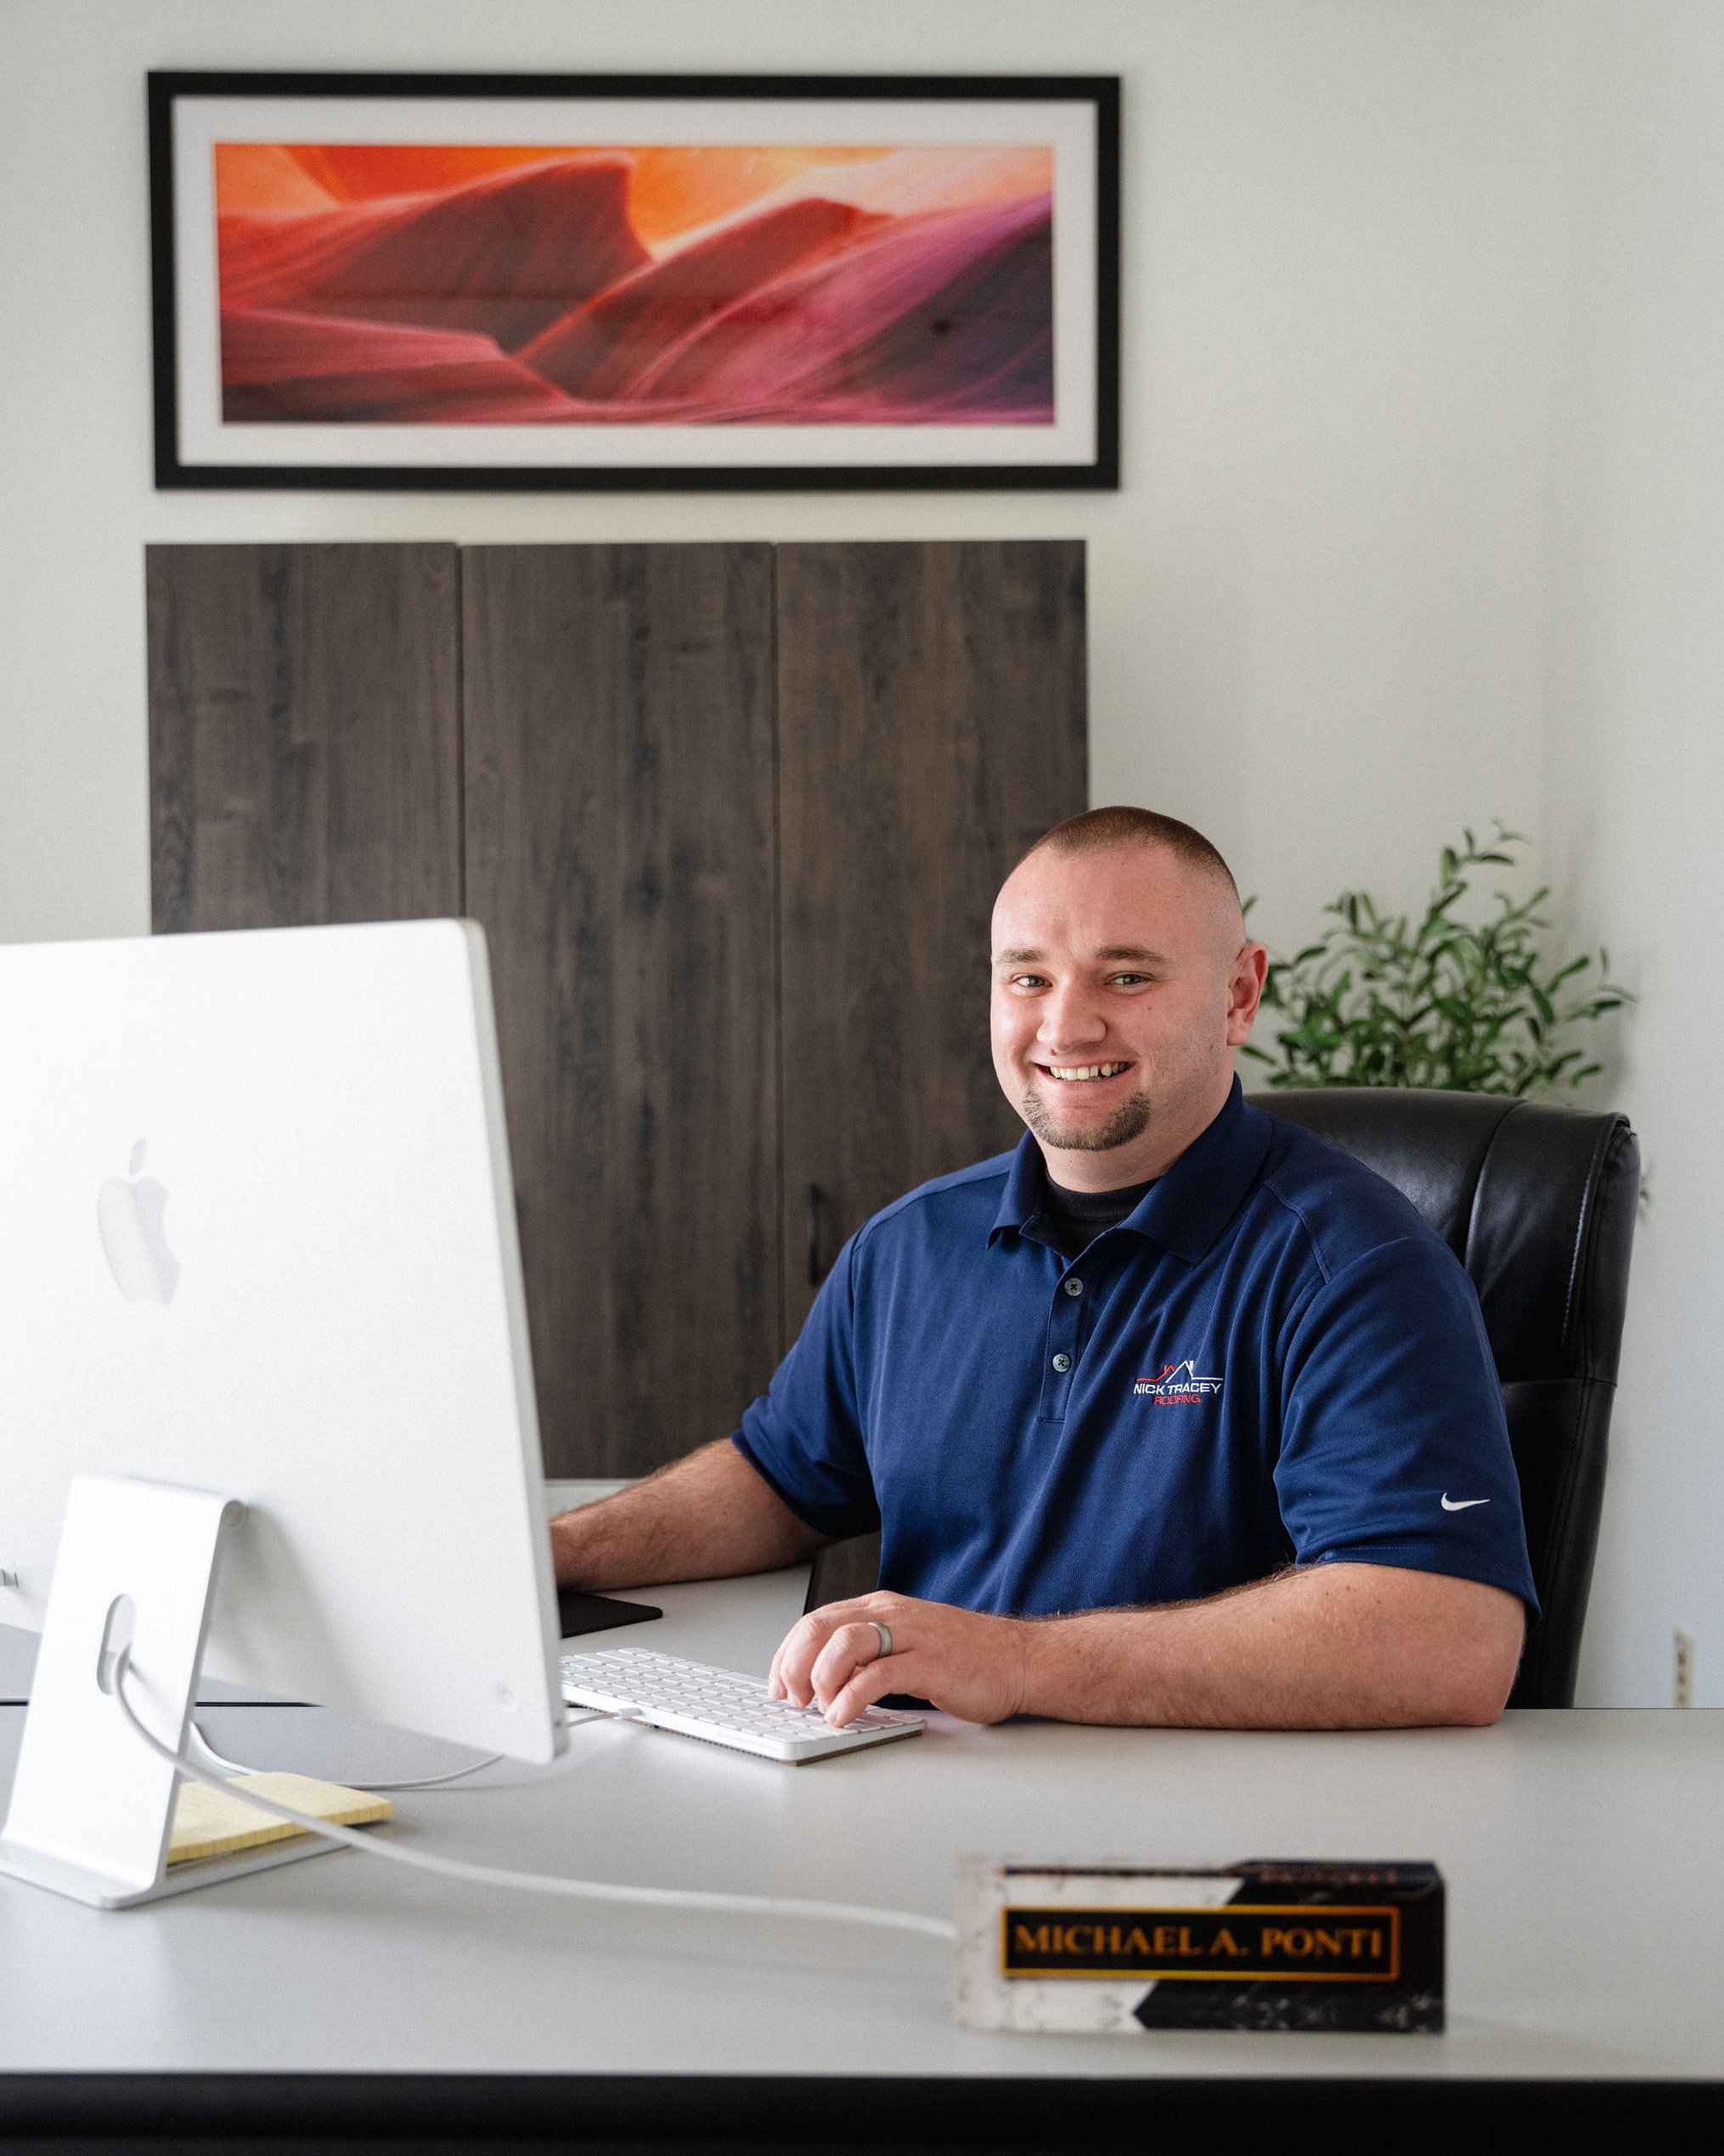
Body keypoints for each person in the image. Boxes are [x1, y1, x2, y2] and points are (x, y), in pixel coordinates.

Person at [550, 807, 1535, 1731]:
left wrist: (1017, 1663)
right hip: (907, 1794)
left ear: (1238, 994)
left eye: (1126, 978)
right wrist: (546, 1554)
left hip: (1190, 1842)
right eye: (1028, 979)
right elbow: (777, 1482)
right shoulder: (906, 1248)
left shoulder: (1354, 1266)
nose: (1064, 1028)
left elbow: (1449, 1640)